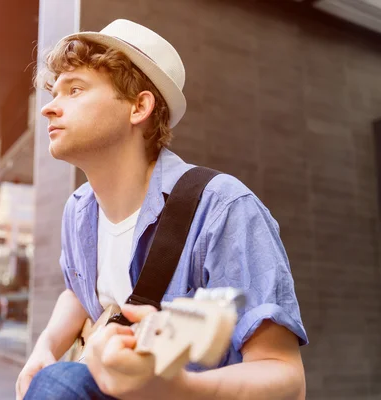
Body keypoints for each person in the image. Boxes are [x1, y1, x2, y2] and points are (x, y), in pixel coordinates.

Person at [17, 19, 308, 400]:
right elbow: (77, 290)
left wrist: (178, 388)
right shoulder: (78, 210)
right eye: (54, 94)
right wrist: (45, 348)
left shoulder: (223, 209)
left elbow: (287, 379)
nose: (49, 109)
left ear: (139, 106)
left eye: (74, 90)